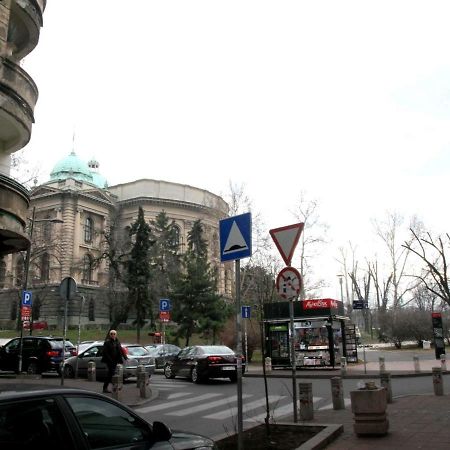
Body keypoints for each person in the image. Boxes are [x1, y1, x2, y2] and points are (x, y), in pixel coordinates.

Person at [101, 329, 127, 393]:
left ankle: (112, 386)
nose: (113, 335)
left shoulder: (117, 342)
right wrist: (110, 360)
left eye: (114, 334)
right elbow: (105, 352)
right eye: (111, 334)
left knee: (111, 373)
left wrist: (125, 357)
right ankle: (108, 387)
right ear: (110, 335)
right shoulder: (107, 342)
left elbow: (120, 350)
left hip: (115, 360)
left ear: (116, 335)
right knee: (111, 373)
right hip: (109, 360)